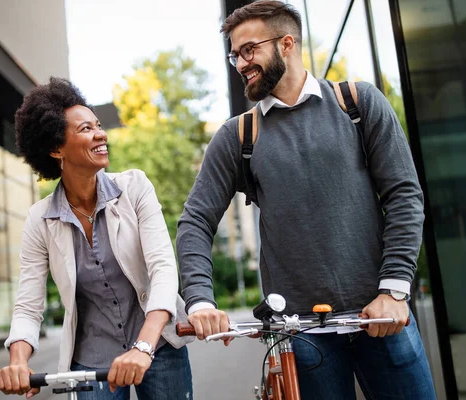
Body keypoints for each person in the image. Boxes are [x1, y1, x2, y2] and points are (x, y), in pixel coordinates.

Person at [176, 1, 436, 398]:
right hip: (301, 335)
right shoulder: (238, 136)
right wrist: (199, 302)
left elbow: (404, 194)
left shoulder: (358, 103)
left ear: (286, 43)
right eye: (234, 55)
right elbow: (195, 221)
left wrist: (394, 291)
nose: (241, 63)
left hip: (382, 317)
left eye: (249, 50)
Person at [0, 77, 194, 400]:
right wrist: (18, 361)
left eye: (98, 125)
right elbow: (28, 305)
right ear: (56, 148)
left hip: (157, 346)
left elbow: (163, 269)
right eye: (86, 129)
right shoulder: (40, 219)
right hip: (92, 358)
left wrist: (143, 347)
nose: (101, 134)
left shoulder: (134, 188)